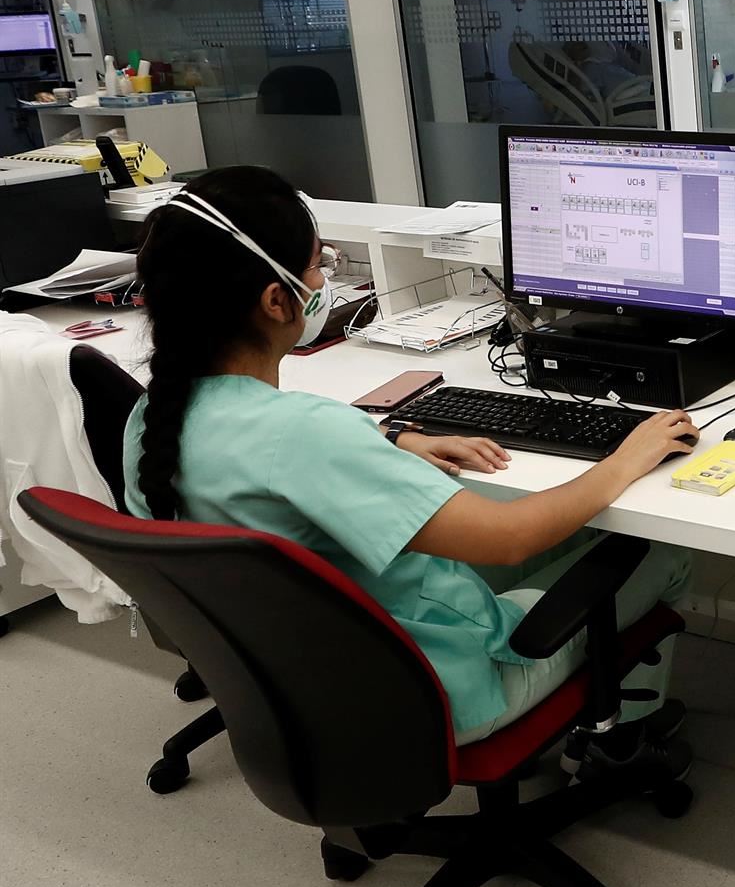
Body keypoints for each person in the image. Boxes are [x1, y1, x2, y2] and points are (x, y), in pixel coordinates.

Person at [124, 167, 698, 774]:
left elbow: (283, 466)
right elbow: (510, 539)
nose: (324, 283)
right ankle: (612, 748)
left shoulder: (151, 416)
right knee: (661, 548)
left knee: (579, 533)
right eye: (319, 266)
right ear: (275, 300)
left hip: (306, 684)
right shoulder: (306, 435)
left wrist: (389, 444)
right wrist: (626, 459)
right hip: (443, 690)